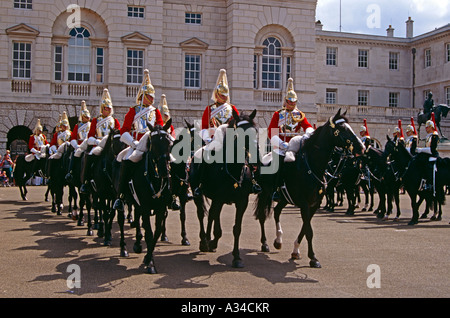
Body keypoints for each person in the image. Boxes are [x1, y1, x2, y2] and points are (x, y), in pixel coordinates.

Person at [113, 69, 164, 210]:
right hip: (137, 145)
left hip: (152, 144)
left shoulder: (156, 111)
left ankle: (171, 194)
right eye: (149, 95)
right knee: (127, 162)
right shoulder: (133, 111)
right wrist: (132, 143)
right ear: (143, 95)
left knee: (170, 161)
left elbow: (159, 127)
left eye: (153, 96)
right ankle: (121, 196)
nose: (152, 98)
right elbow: (124, 130)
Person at [192, 69, 240, 197]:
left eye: (226, 95)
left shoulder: (232, 108)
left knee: (245, 155)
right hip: (214, 141)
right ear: (217, 94)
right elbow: (203, 127)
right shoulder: (209, 109)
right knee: (203, 157)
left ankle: (251, 181)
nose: (224, 97)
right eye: (222, 95)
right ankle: (200, 185)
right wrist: (207, 139)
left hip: (230, 140)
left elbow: (238, 125)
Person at [267, 77, 314, 200]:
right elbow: (271, 132)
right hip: (282, 146)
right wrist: (282, 144)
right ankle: (276, 189)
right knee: (277, 165)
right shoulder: (278, 114)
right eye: (290, 102)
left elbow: (308, 126)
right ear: (285, 101)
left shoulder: (300, 115)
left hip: (296, 146)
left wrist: (307, 134)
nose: (292, 104)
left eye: (294, 102)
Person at [80, 88, 120, 194]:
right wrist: (97, 142)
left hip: (110, 145)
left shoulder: (114, 121)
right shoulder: (95, 120)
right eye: (106, 108)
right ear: (102, 109)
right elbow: (90, 137)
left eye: (109, 108)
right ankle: (86, 181)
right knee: (90, 155)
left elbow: (118, 133)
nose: (108, 110)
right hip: (99, 145)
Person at [411, 113, 440, 193]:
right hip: (428, 155)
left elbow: (432, 149)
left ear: (431, 127)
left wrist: (420, 150)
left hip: (433, 155)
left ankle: (429, 183)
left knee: (428, 166)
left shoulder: (434, 136)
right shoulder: (428, 136)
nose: (426, 129)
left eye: (427, 127)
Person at [66, 101, 91, 182]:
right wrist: (76, 146)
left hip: (89, 145)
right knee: (74, 155)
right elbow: (73, 138)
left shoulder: (91, 125)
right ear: (82, 117)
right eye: (85, 117)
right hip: (79, 146)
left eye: (88, 116)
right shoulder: (78, 126)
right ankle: (71, 171)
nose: (87, 118)